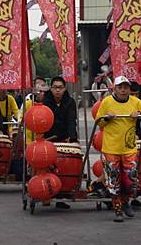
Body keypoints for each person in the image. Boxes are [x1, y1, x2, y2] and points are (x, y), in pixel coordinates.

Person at [96, 76, 141, 222]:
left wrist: (139, 114)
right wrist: (107, 118)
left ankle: (126, 202)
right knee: (113, 180)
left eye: (125, 87)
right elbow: (99, 121)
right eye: (120, 87)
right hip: (111, 148)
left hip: (129, 149)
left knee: (130, 180)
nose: (123, 90)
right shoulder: (107, 102)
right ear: (114, 88)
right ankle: (118, 209)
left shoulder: (135, 102)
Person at [43, 76, 78, 209]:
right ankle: (45, 193)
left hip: (64, 138)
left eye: (60, 87)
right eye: (55, 87)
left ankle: (60, 197)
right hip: (47, 138)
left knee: (62, 168)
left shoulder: (70, 102)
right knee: (46, 168)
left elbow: (71, 121)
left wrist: (73, 139)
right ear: (51, 88)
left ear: (64, 89)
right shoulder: (45, 102)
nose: (58, 90)